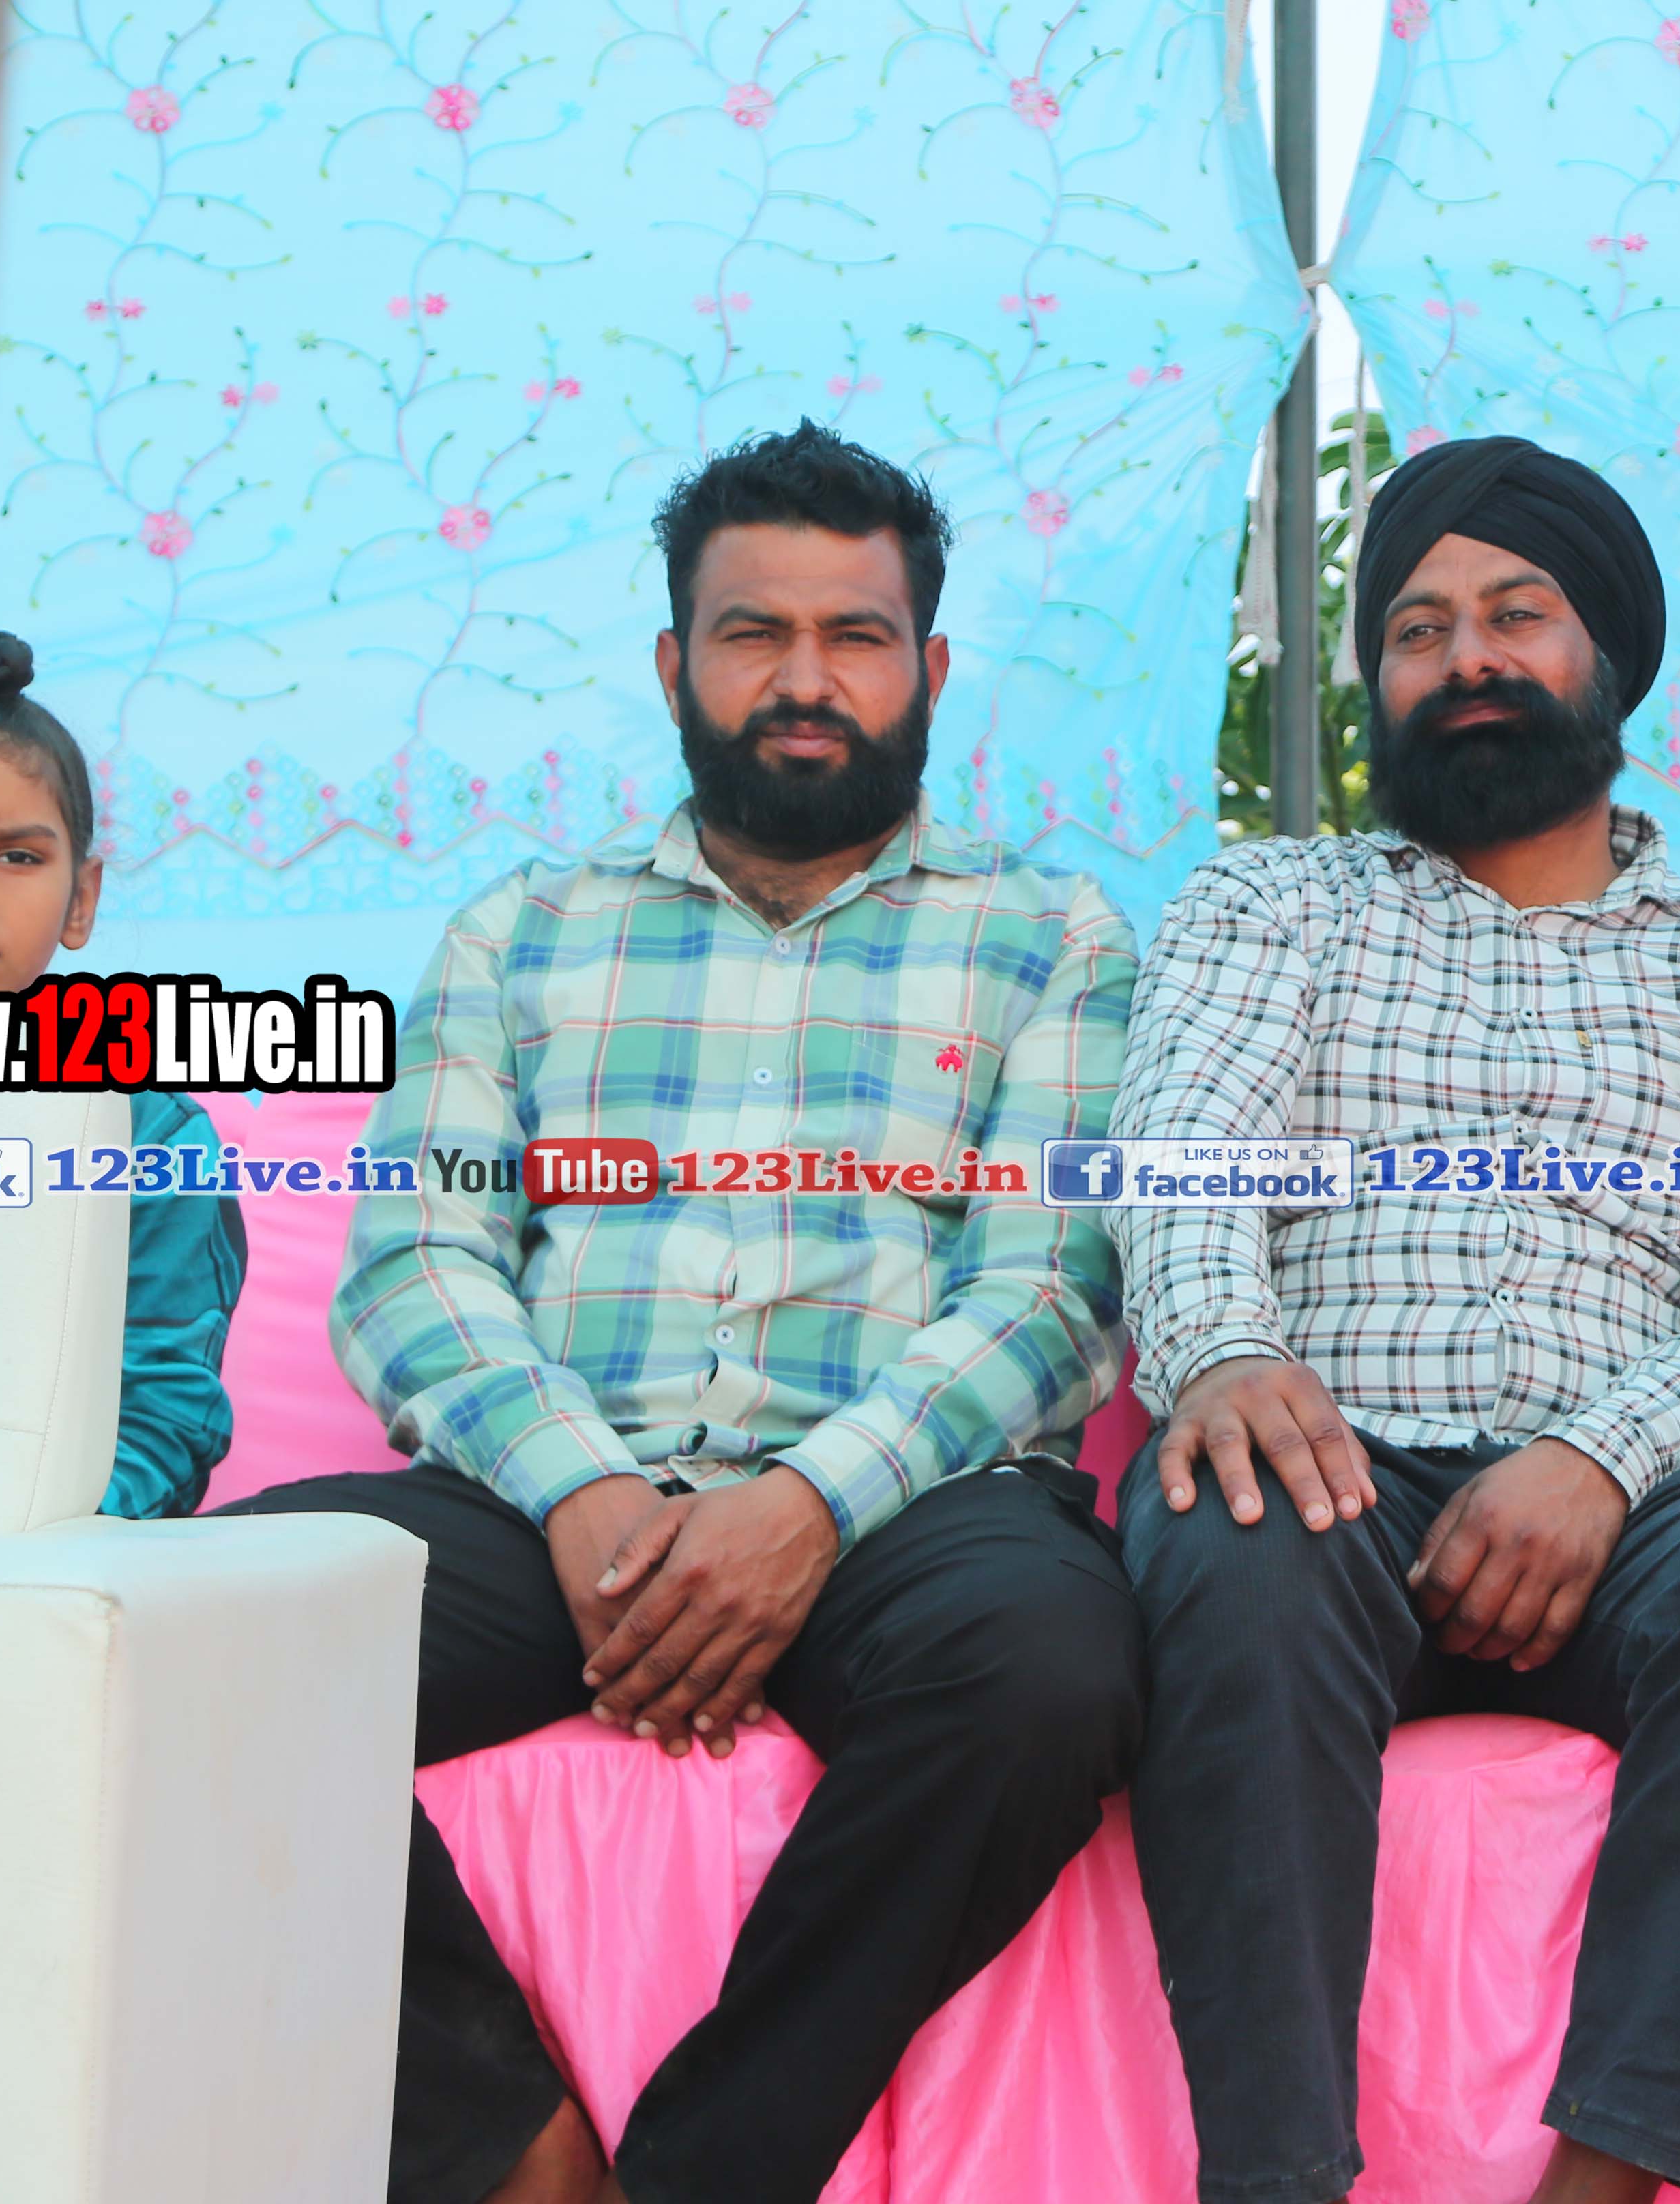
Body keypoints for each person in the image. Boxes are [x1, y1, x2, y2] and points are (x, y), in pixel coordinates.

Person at [224, 423, 1147, 2204]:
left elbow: (1050, 1289)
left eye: (856, 636)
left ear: (930, 668)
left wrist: (802, 1509)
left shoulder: (1055, 935)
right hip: (552, 1501)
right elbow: (418, 1264)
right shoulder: (522, 932)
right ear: (674, 664)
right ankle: (511, 2152)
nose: (805, 679)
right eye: (752, 633)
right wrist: (581, 1490)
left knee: (1049, 1678)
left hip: (908, 1509)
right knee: (204, 1642)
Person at [1112, 435, 1680, 2204]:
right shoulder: (1272, 903)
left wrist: (1595, 1464)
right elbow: (1185, 1161)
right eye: (1418, 628)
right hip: (1334, 1469)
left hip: (1626, 1508)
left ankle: (1609, 2170)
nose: (1465, 658)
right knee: (1234, 1526)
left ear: (1610, 657)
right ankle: (1277, 2183)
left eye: (1516, 615)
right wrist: (1226, 1351)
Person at [0, 627, 244, 1518]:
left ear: (82, 900)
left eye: (16, 856)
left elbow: (165, 1413)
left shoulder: (149, 1133)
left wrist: (38, 1546)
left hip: (45, 1547)